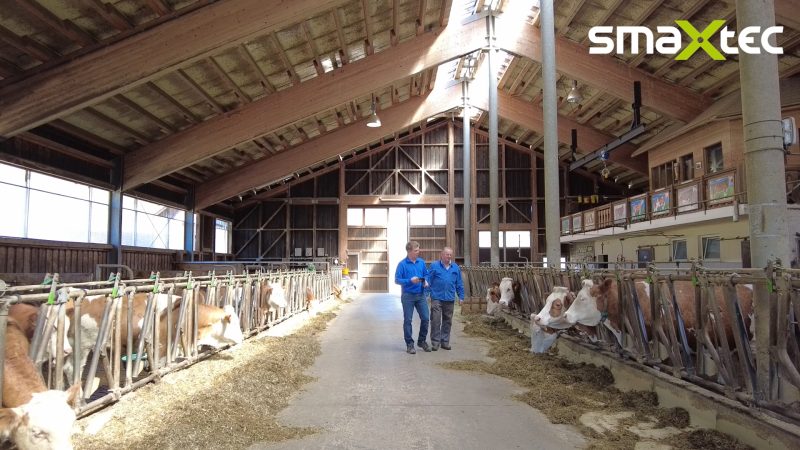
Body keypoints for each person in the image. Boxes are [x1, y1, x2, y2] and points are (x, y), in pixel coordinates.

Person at [394, 241, 431, 354]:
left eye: (418, 250)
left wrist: (425, 281)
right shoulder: (402, 264)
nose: (418, 252)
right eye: (416, 250)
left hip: (420, 295)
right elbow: (397, 280)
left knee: (426, 318)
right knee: (408, 320)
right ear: (409, 251)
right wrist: (410, 281)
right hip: (408, 296)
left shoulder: (421, 262)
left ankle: (421, 341)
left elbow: (426, 274)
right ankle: (409, 344)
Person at [426, 246, 464, 350]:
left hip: (450, 298)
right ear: (442, 255)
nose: (449, 256)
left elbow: (459, 283)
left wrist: (461, 296)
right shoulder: (434, 266)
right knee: (436, 320)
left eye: (450, 254)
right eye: (447, 254)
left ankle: (445, 342)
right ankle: (435, 342)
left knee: (447, 321)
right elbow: (428, 280)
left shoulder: (455, 267)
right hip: (436, 298)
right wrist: (426, 294)